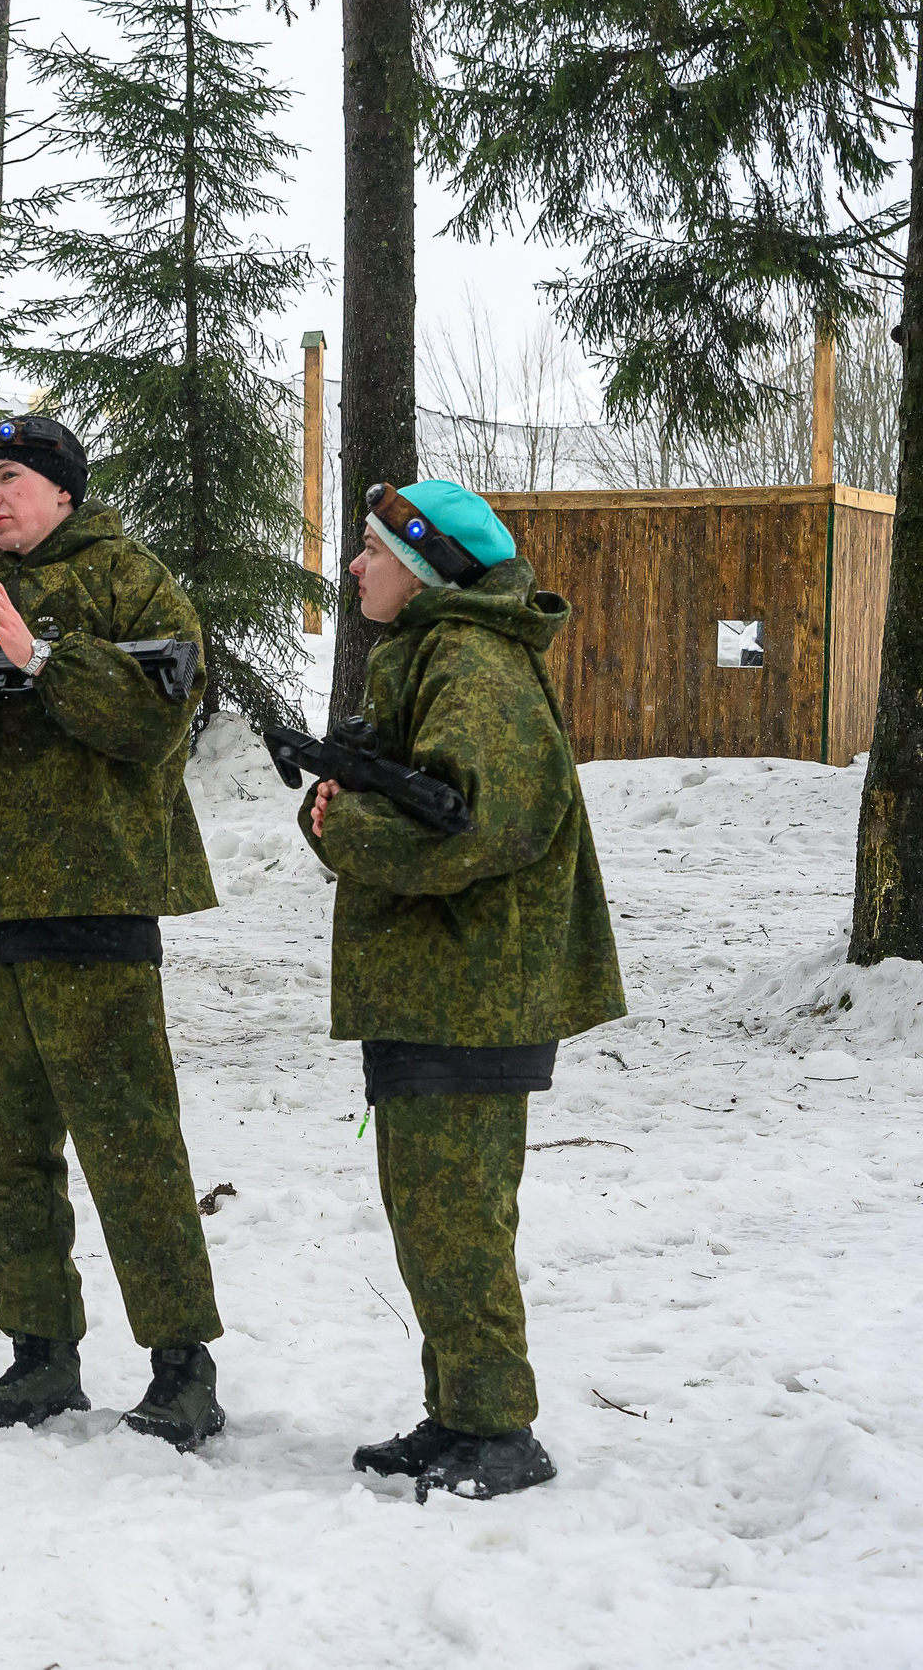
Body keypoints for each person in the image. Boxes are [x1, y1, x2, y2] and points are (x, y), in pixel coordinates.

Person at [0, 415, 227, 1448]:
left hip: (95, 905)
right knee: (1, 1156)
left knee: (130, 1146)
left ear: (64, 492)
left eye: (12, 478)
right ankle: (40, 1355)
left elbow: (156, 724)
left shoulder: (131, 584)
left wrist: (43, 659)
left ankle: (181, 1366)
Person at [304, 479, 625, 1502]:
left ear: (425, 563)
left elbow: (486, 827)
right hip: (441, 989)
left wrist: (338, 826)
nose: (355, 568)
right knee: (432, 1217)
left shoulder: (472, 667)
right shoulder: (434, 657)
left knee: (456, 1219)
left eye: (371, 551)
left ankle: (499, 1432)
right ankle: (458, 1415)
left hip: (471, 991)